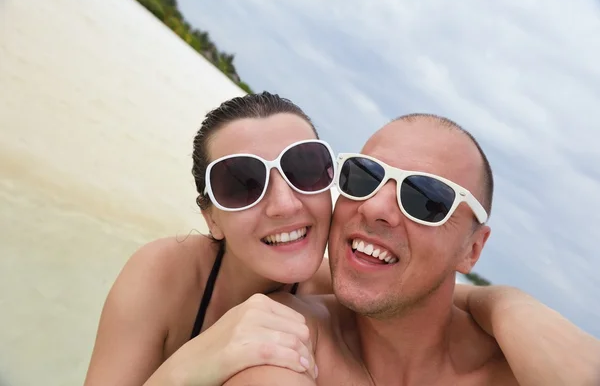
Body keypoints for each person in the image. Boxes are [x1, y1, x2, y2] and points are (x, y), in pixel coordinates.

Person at [223, 114, 600, 386]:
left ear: (472, 250)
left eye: (425, 198)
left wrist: (508, 306)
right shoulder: (289, 335)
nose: (374, 207)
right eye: (363, 176)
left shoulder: (519, 368)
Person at [84, 92, 336, 386]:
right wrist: (190, 367)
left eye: (305, 169)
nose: (286, 204)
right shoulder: (160, 276)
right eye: (244, 184)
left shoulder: (343, 293)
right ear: (211, 219)